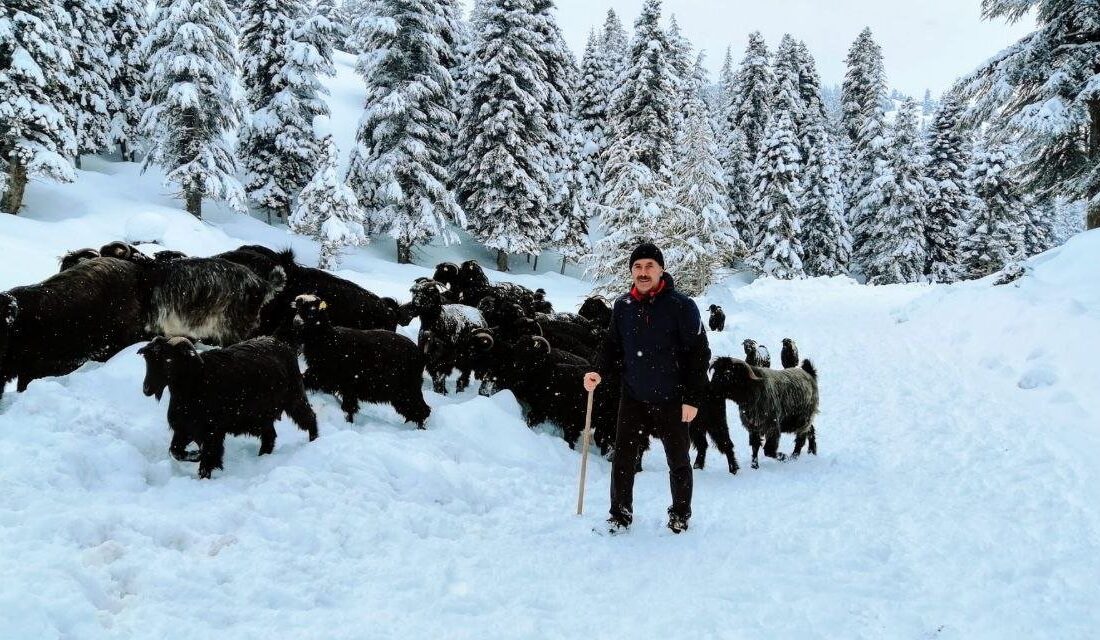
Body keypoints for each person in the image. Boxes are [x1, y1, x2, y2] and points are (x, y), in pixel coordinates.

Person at [583, 242, 710, 534]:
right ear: (631, 271)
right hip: (634, 396)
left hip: (672, 397)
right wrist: (597, 370)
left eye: (649, 266)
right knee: (624, 459)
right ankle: (620, 514)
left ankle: (680, 513)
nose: (643, 272)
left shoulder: (682, 307)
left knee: (678, 461)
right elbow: (612, 346)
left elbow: (698, 354)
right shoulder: (623, 306)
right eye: (637, 267)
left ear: (661, 269)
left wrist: (692, 398)